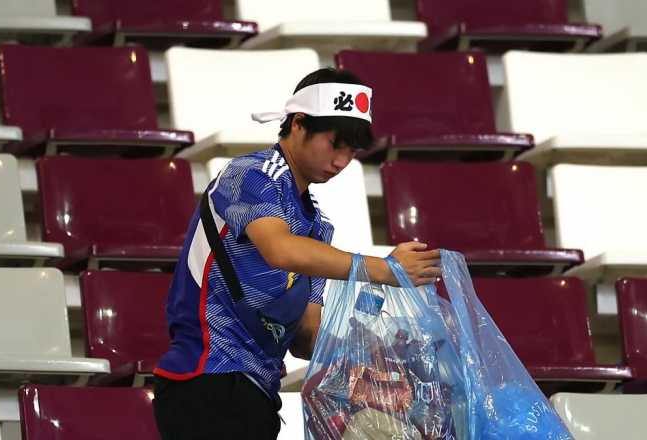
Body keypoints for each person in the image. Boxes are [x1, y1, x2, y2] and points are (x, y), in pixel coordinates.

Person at [152, 67, 442, 440]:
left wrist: (371, 356)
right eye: (334, 144)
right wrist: (384, 269)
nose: (341, 161)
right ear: (299, 124)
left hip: (258, 393)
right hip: (206, 377)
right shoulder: (252, 174)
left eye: (351, 152)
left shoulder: (317, 228)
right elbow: (279, 249)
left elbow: (306, 336)